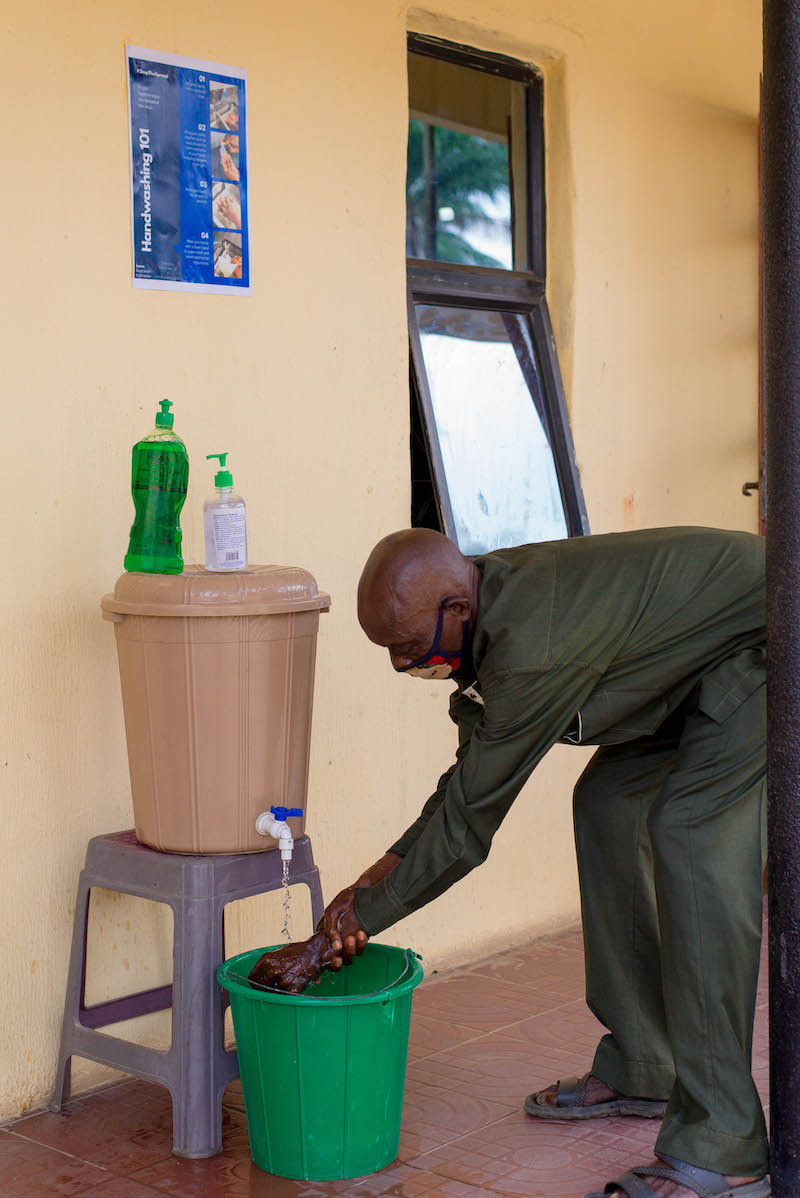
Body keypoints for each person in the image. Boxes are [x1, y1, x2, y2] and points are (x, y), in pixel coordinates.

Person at [261, 525, 769, 1198]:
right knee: (609, 802)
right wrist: (367, 883)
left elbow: (469, 824)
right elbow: (462, 785)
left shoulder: (531, 648)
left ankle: (724, 1145)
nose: (400, 666)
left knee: (689, 833)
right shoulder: (488, 621)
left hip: (767, 638)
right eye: (389, 651)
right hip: (696, 665)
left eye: (409, 648)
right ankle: (647, 1066)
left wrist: (342, 933)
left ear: (457, 612)